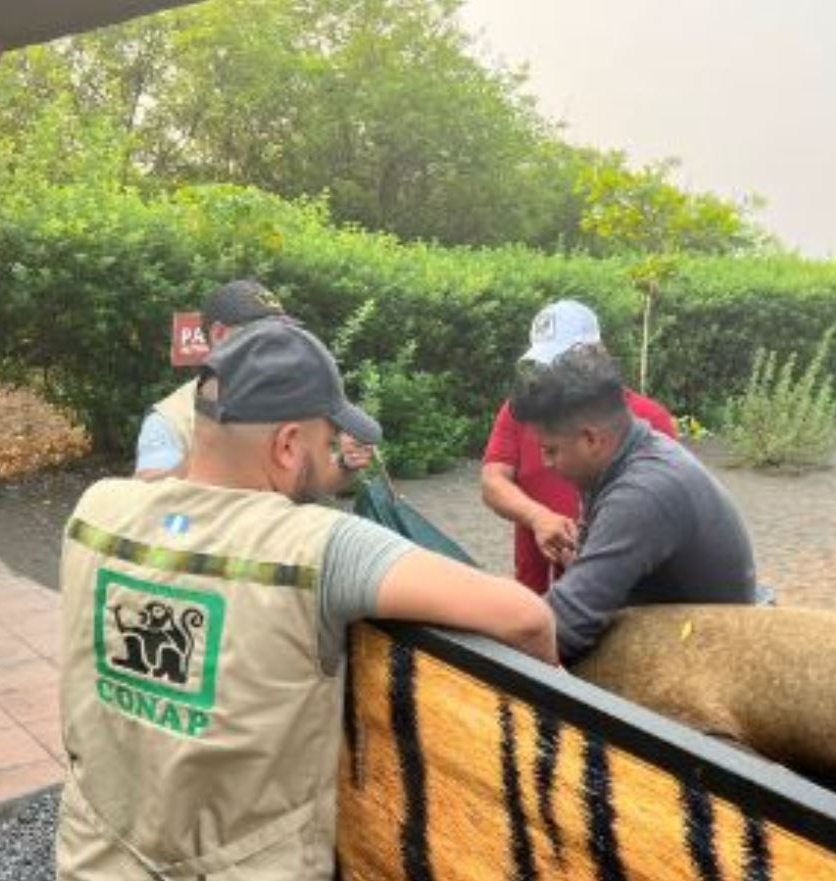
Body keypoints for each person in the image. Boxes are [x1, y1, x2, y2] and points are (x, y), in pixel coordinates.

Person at [57, 318, 557, 880]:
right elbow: (525, 617)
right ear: (288, 445)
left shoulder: (97, 510)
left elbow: (191, 508)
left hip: (94, 861)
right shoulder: (320, 547)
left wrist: (331, 469)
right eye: (328, 441)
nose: (335, 451)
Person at [508, 344, 759, 662]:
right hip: (670, 616)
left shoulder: (642, 492)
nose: (546, 462)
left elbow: (563, 630)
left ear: (591, 439)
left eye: (551, 450)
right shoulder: (623, 456)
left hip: (708, 654)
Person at [481, 299, 677, 593]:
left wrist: (597, 549)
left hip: (618, 588)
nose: (551, 373)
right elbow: (492, 481)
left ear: (597, 353)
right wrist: (537, 517)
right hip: (534, 586)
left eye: (562, 362)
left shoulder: (650, 418)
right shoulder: (523, 410)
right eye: (545, 363)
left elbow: (662, 511)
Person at [134, 278, 371, 481]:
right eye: (260, 332)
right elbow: (151, 495)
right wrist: (223, 453)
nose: (277, 341)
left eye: (280, 330)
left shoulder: (294, 399)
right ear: (219, 335)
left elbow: (310, 483)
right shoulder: (169, 417)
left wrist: (344, 464)